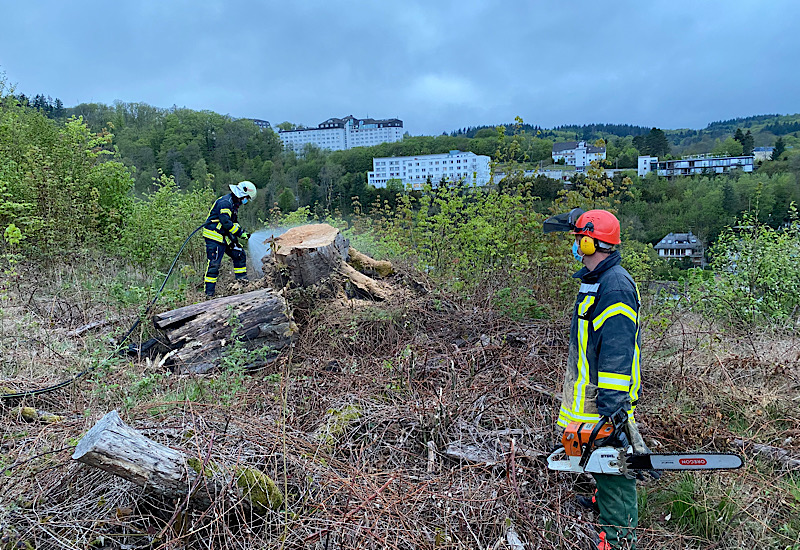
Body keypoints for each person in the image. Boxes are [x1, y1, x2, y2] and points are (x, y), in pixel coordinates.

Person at [544, 208, 647, 550]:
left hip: (603, 400)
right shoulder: (595, 280)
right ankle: (605, 505)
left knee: (613, 465)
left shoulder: (614, 286)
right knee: (600, 460)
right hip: (589, 398)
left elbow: (616, 350)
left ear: (590, 243)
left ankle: (619, 540)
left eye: (578, 239)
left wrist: (612, 409)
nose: (575, 246)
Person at [202, 181, 257, 297]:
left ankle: (242, 284)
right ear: (242, 195)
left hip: (224, 236)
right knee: (214, 264)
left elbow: (233, 222)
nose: (246, 201)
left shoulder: (234, 204)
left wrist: (240, 233)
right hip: (214, 236)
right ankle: (209, 294)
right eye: (247, 198)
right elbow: (226, 222)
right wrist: (240, 233)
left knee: (239, 254)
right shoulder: (225, 203)